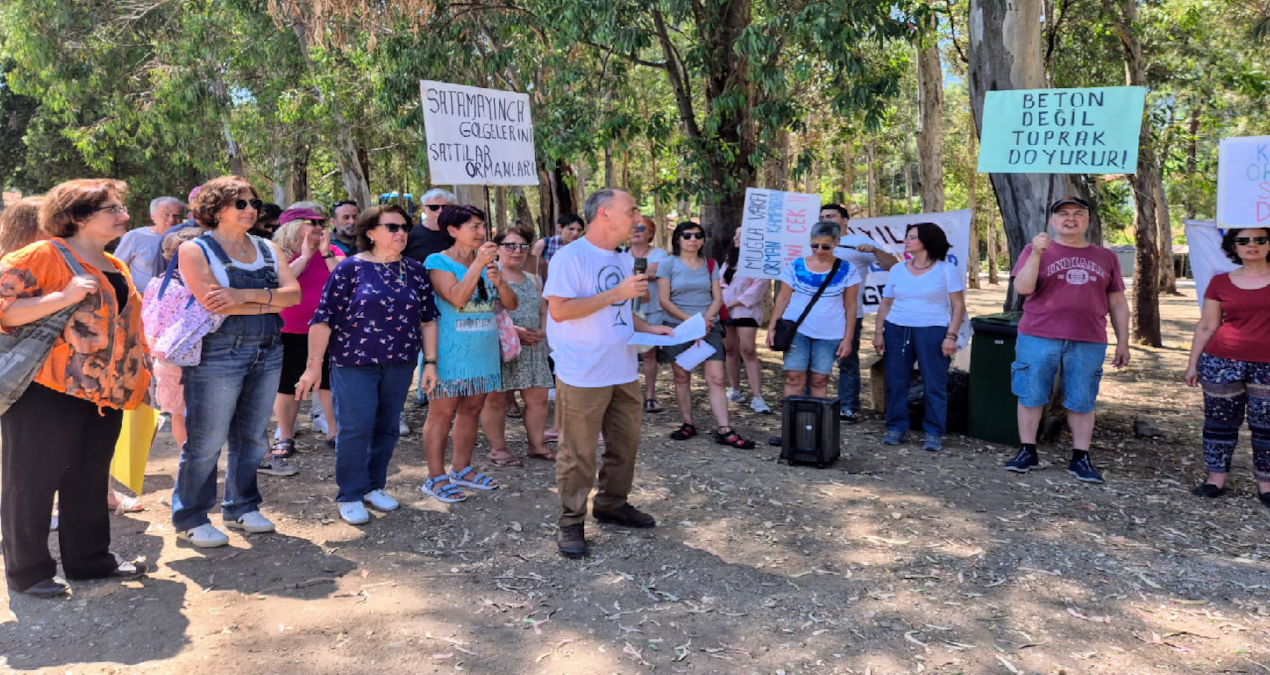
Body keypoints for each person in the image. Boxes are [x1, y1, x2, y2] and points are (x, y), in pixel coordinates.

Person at [0, 179, 151, 597]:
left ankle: (89, 562)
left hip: (104, 396)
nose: (124, 215)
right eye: (113, 209)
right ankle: (29, 573)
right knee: (30, 482)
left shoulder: (114, 264)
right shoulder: (43, 255)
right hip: (45, 390)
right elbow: (5, 311)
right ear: (79, 216)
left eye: (121, 206)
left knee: (88, 479)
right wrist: (62, 297)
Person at [171, 176, 301, 548]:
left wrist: (241, 295)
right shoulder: (195, 250)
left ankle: (241, 506)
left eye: (252, 202)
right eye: (240, 203)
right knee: (206, 440)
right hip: (218, 352)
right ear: (215, 209)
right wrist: (269, 298)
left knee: (253, 436)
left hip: (269, 347)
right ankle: (193, 516)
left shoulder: (266, 246)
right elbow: (213, 302)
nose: (250, 209)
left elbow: (293, 296)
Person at [545, 188, 676, 558]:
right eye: (631, 209)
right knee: (578, 453)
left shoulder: (621, 259)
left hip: (622, 368)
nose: (637, 217)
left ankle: (611, 503)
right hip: (582, 372)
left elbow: (617, 311)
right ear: (604, 213)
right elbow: (561, 311)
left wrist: (653, 329)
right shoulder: (570, 257)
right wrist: (616, 291)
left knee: (625, 445)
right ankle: (571, 522)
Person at [297, 205, 439, 524]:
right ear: (370, 233)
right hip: (353, 362)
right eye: (391, 227)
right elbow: (322, 320)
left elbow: (428, 320)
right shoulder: (349, 269)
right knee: (355, 428)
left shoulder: (415, 270)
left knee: (387, 427)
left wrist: (430, 362)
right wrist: (313, 365)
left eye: (404, 227)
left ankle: (375, 485)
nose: (400, 232)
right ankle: (350, 492)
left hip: (401, 362)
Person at [1005, 196, 1130, 484]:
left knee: (1083, 399)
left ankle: (1080, 457)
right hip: (1038, 334)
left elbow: (1118, 302)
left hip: (1088, 338)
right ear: (1052, 221)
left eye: (1078, 214)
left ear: (1087, 221)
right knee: (1031, 393)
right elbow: (1023, 288)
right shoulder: (1034, 249)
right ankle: (1027, 450)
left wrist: (1123, 340)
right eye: (1063, 214)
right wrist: (1037, 253)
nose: (1070, 219)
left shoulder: (1106, 257)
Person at [420, 205, 517, 503]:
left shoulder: (489, 264)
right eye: (473, 226)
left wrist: (498, 279)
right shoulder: (437, 261)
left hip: (483, 352)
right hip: (450, 353)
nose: (480, 232)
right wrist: (479, 265)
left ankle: (461, 468)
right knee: (442, 414)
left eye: (481, 225)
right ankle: (434, 477)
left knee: (472, 411)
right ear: (452, 231)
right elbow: (458, 298)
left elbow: (510, 304)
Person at [1184, 227, 1270, 504]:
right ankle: (1215, 479)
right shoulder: (1220, 282)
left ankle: (1266, 484)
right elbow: (1208, 326)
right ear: (1233, 246)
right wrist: (1192, 363)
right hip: (1221, 363)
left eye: (1260, 239)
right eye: (1243, 240)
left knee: (1266, 425)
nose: (1252, 245)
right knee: (1219, 423)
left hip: (1267, 365)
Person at [658, 222, 756, 448]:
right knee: (682, 377)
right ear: (678, 239)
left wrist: (705, 322)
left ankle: (725, 428)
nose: (693, 239)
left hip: (708, 326)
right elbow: (664, 301)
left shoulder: (710, 264)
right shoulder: (667, 264)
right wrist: (692, 323)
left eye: (697, 236)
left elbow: (717, 298)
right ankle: (687, 423)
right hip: (678, 327)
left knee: (717, 379)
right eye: (687, 235)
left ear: (703, 240)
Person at [872, 223, 966, 451]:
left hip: (932, 330)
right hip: (897, 329)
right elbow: (886, 303)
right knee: (896, 381)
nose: (906, 240)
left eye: (912, 237)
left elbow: (958, 306)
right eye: (907, 236)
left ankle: (934, 431)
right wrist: (878, 332)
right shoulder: (897, 269)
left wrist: (950, 336)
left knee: (934, 383)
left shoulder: (946, 270)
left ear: (926, 241)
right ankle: (895, 427)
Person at [479, 225, 557, 466]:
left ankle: (536, 445)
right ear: (498, 248)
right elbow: (483, 313)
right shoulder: (488, 275)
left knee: (539, 398)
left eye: (523, 246)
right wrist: (516, 332)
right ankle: (499, 450)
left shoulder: (533, 279)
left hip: (533, 348)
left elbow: (544, 309)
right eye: (510, 246)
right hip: (499, 347)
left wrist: (543, 330)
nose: (517, 251)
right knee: (496, 399)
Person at [270, 207, 344, 459]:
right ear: (291, 226)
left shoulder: (332, 251)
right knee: (288, 385)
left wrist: (324, 254)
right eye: (309, 222)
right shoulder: (276, 251)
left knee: (328, 383)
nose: (316, 226)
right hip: (289, 330)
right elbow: (282, 283)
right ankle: (286, 435)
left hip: (327, 329)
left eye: (319, 222)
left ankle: (335, 432)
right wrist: (304, 255)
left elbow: (345, 279)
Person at [820, 203, 897, 422]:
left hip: (848, 314)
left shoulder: (857, 242)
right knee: (815, 359)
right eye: (823, 216)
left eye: (831, 216)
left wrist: (874, 250)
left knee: (847, 360)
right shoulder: (816, 243)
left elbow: (893, 265)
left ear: (845, 220)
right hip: (816, 313)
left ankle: (848, 406)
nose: (826, 219)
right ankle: (814, 402)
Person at [767, 221, 860, 399]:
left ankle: (815, 424)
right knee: (794, 378)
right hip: (796, 328)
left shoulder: (848, 270)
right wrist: (772, 327)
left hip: (830, 331)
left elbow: (850, 305)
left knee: (819, 379)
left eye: (825, 247)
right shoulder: (796, 266)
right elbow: (783, 298)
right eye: (814, 245)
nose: (818, 250)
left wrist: (848, 338)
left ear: (837, 243)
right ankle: (791, 423)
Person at [403, 188, 455, 418]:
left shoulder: (457, 236)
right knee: (407, 358)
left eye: (446, 207)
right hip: (415, 305)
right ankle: (397, 414)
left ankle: (448, 404)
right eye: (434, 207)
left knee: (447, 354)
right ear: (424, 209)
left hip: (452, 304)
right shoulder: (410, 236)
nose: (440, 212)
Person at [721, 227, 771, 414]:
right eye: (735, 234)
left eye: (740, 235)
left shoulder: (759, 262)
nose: (735, 238)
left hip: (746, 311)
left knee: (748, 350)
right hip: (725, 312)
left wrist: (733, 302)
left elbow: (758, 287)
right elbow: (719, 282)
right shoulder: (729, 261)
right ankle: (735, 389)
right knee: (730, 349)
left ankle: (757, 397)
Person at [628, 215, 670, 412]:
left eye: (641, 228)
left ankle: (651, 395)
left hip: (651, 310)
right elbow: (648, 273)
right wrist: (644, 272)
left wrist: (632, 274)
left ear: (651, 233)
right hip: (625, 311)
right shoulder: (620, 253)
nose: (636, 231)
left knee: (649, 353)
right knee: (623, 352)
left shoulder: (659, 253)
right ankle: (628, 395)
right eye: (633, 228)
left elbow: (658, 273)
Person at [112, 196, 184, 291]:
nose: (171, 220)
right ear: (153, 216)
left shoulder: (188, 239)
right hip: (143, 298)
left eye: (177, 215)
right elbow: (115, 267)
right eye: (166, 214)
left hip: (179, 299)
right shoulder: (135, 237)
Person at [533, 212, 584, 281]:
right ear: (559, 227)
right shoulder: (545, 244)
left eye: (579, 230)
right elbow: (532, 269)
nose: (575, 233)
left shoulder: (582, 248)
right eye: (571, 229)